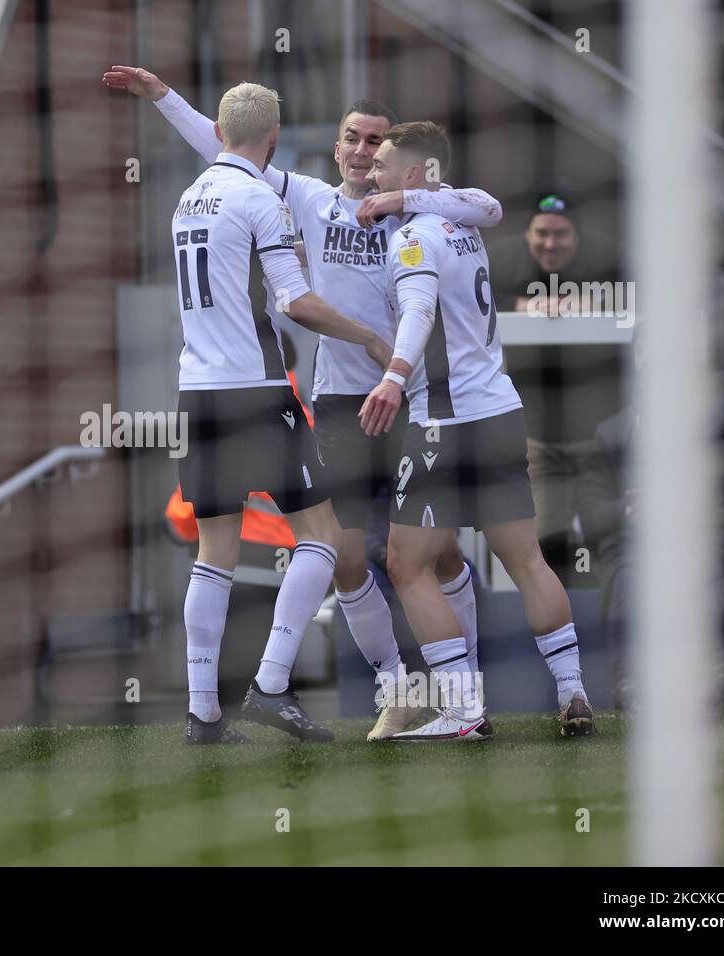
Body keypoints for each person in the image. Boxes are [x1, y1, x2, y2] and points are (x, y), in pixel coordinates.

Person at [104, 65, 498, 739]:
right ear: (335, 145)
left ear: (394, 153)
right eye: (353, 136)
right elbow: (227, 144)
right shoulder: (308, 197)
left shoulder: (419, 203)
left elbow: (485, 207)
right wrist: (165, 98)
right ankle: (395, 690)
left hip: (414, 395)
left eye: (377, 140)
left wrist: (419, 203)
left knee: (437, 555)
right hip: (341, 398)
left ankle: (467, 695)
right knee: (341, 553)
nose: (364, 149)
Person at [163, 80, 393, 744]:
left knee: (214, 552)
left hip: (197, 390)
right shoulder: (262, 198)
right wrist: (370, 337)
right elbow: (295, 303)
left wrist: (160, 96)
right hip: (257, 391)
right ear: (274, 135)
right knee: (321, 537)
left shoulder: (189, 198)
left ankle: (203, 712)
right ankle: (269, 685)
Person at [359, 122, 595, 739]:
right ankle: (572, 693)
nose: (373, 174)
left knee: (404, 564)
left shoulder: (413, 237)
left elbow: (417, 311)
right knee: (524, 559)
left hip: (442, 421)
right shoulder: (462, 221)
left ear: (415, 173)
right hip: (500, 412)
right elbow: (486, 204)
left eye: (384, 165)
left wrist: (393, 375)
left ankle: (463, 711)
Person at [578, 334, 724, 707]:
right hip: (636, 549)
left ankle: (720, 676)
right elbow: (591, 514)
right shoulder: (611, 434)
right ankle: (630, 680)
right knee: (632, 573)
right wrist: (629, 509)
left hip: (707, 544)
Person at [486, 194, 624, 579]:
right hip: (537, 437)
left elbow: (646, 293)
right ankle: (558, 626)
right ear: (527, 232)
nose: (550, 244)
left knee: (612, 535)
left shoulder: (608, 256)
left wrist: (588, 302)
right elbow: (465, 299)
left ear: (578, 236)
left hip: (601, 434)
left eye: (560, 235)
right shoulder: (501, 260)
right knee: (542, 543)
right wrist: (522, 305)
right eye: (541, 234)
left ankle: (610, 615)